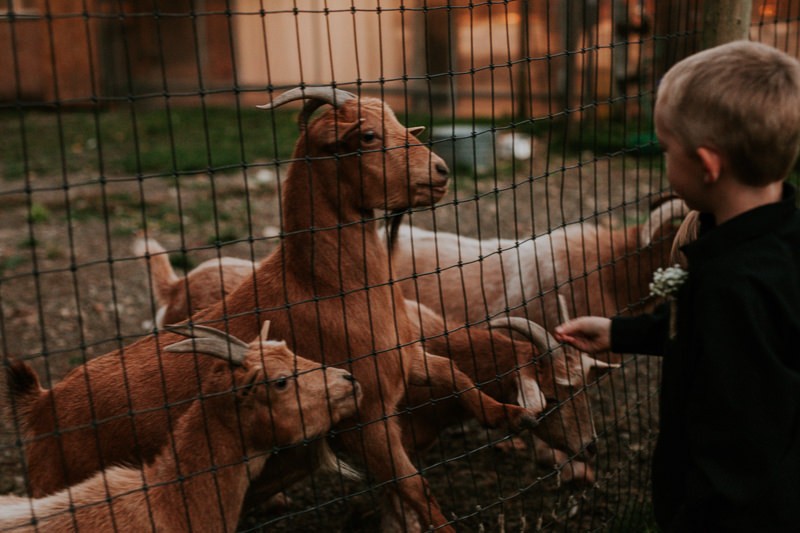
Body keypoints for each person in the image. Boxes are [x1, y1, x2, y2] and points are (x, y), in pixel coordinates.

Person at [554, 40, 800, 532]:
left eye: (667, 150)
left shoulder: (730, 285)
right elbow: (708, 335)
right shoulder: (778, 244)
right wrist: (622, 333)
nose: (665, 163)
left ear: (708, 165)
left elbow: (734, 443)